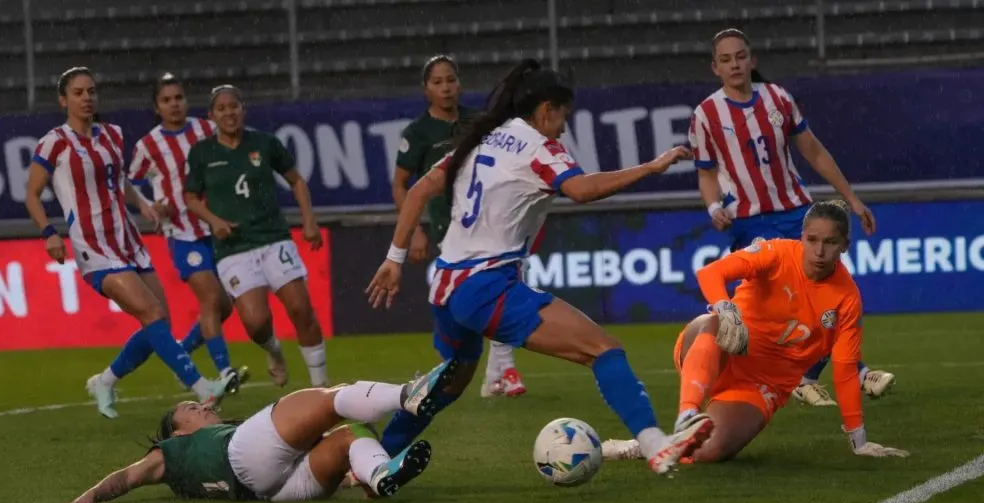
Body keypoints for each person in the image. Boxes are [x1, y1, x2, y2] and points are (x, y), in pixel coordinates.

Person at [366, 58, 713, 475]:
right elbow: (582, 191)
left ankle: (373, 460)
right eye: (562, 117)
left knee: (446, 386)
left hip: (444, 286)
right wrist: (650, 167)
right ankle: (656, 445)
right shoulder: (539, 148)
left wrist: (393, 259)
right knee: (604, 349)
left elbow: (419, 190)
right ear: (546, 109)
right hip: (486, 286)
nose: (563, 128)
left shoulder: (482, 137)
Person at [601, 201, 909, 463]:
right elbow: (711, 273)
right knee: (717, 321)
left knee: (710, 452)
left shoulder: (847, 298)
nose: (819, 251)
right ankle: (687, 414)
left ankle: (643, 447)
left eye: (829, 243)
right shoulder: (775, 253)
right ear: (801, 237)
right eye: (812, 240)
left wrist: (859, 440)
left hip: (764, 385)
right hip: (722, 348)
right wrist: (724, 306)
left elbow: (843, 369)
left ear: (844, 246)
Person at [688, 28, 895, 407]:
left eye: (740, 56)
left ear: (752, 60)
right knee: (770, 309)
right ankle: (788, 378)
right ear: (715, 68)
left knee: (826, 291)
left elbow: (813, 152)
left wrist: (852, 199)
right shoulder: (706, 115)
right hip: (751, 221)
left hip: (798, 212)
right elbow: (705, 172)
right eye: (726, 59)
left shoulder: (778, 99)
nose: (735, 64)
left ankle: (842, 372)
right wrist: (712, 207)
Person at [25, 67, 233, 419]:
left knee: (159, 320)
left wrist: (143, 205)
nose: (87, 97)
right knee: (150, 313)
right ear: (64, 100)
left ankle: (105, 381)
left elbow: (118, 181)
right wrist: (49, 233)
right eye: (78, 92)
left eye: (91, 91)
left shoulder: (111, 134)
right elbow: (31, 193)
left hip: (126, 238)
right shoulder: (54, 142)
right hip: (93, 244)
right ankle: (202, 387)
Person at [53, 360, 455, 503]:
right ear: (178, 430)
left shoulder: (207, 445)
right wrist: (92, 495)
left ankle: (378, 475)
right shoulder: (172, 451)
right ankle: (408, 395)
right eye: (192, 410)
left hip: (273, 491)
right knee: (330, 399)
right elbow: (130, 475)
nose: (204, 407)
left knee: (350, 434)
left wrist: (348, 474)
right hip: (244, 460)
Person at [394, 54, 528, 398]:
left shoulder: (477, 122)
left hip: (486, 222)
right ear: (426, 89)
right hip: (448, 228)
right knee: (470, 302)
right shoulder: (417, 133)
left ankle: (502, 372)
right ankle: (482, 372)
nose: (446, 88)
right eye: (437, 82)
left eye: (450, 80)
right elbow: (402, 184)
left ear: (460, 83)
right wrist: (416, 231)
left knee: (500, 287)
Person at [184, 84, 328, 389]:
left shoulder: (264, 143)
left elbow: (296, 181)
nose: (228, 113)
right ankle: (273, 350)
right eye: (221, 108)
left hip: (274, 238)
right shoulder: (202, 153)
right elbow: (191, 198)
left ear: (243, 109)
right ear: (211, 115)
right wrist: (214, 220)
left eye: (233, 106)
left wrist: (309, 220)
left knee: (301, 309)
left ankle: (321, 389)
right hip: (233, 248)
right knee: (255, 322)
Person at [124, 72, 248, 390]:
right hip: (181, 232)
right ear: (157, 107)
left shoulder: (208, 130)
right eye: (166, 100)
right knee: (209, 298)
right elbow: (128, 185)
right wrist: (152, 206)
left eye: (178, 98)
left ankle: (181, 352)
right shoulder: (148, 145)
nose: (174, 105)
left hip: (216, 228)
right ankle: (224, 372)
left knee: (225, 306)